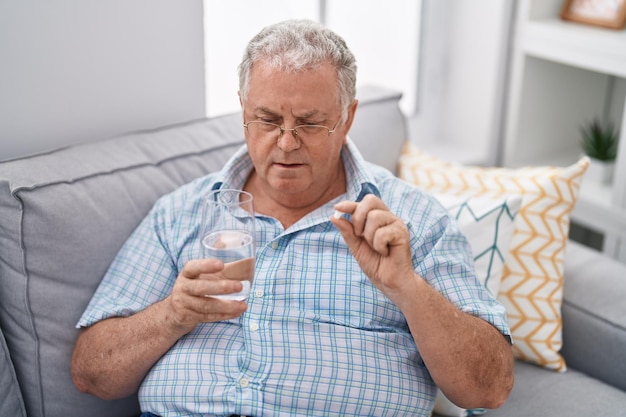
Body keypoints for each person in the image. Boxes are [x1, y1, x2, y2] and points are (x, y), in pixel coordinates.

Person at [71, 19, 513, 417]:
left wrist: (408, 288)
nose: (285, 143)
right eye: (266, 119)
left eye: (309, 123)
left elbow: (488, 389)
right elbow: (91, 374)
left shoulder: (412, 221)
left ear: (347, 118)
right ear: (243, 111)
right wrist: (172, 314)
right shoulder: (182, 212)